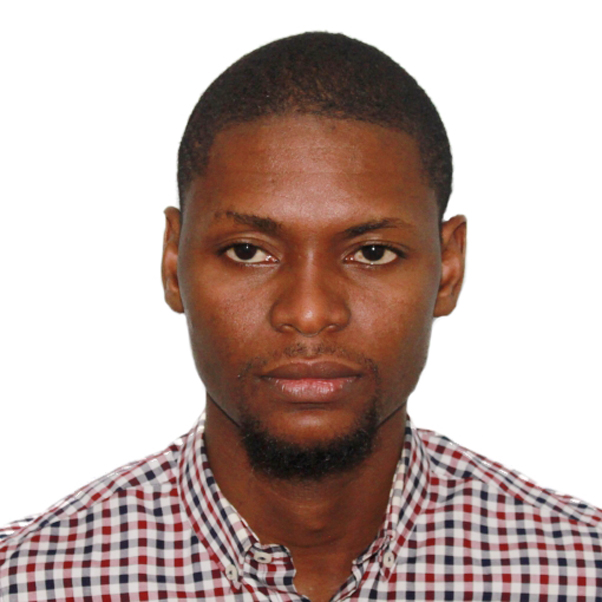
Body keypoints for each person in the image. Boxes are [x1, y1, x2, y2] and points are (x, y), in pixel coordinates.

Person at [1, 31, 600, 602]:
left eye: (372, 252)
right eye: (247, 251)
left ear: (448, 269)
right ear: (172, 264)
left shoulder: (582, 572)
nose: (309, 313)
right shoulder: (24, 581)